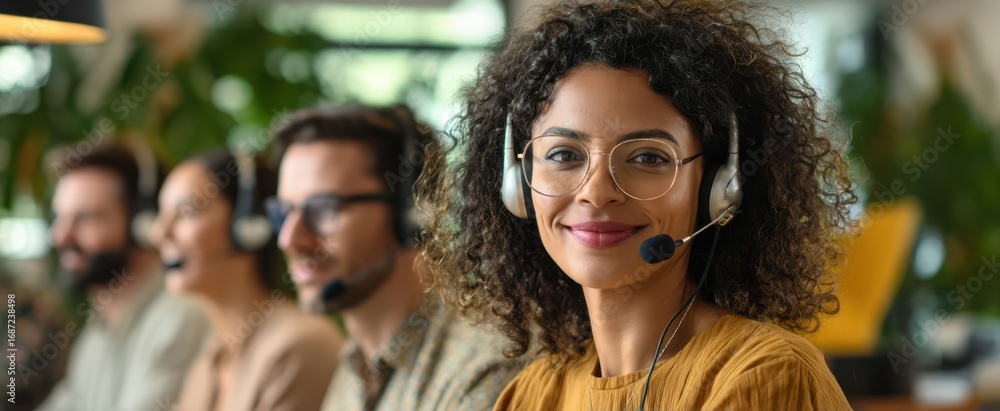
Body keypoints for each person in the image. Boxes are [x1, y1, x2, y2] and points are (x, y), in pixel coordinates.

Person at [419, 0, 858, 410]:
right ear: (520, 183)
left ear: (719, 186)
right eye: (563, 155)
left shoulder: (763, 376)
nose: (597, 191)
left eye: (647, 157)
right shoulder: (533, 394)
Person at [269, 105, 524, 411]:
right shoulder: (356, 363)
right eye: (283, 213)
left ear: (410, 214)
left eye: (324, 209)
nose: (288, 240)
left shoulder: (483, 367)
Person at [150, 149, 342, 411]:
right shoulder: (211, 359)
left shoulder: (298, 348)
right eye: (162, 215)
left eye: (185, 213)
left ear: (246, 225)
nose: (159, 233)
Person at [40, 139, 210, 411]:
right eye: (59, 217)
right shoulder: (100, 327)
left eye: (86, 218)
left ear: (143, 224)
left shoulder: (181, 319)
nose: (60, 236)